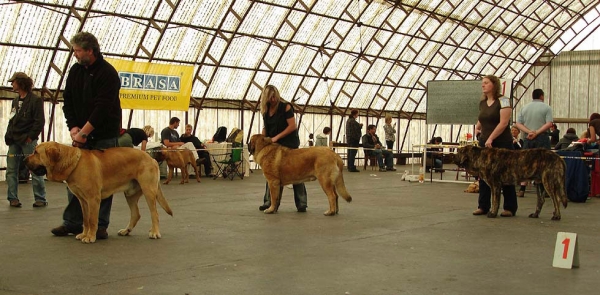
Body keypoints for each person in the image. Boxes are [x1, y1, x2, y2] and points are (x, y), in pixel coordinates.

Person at [51, 32, 122, 239]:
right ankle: (73, 222)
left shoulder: (108, 73)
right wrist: (73, 127)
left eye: (78, 50)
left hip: (103, 135)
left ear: (90, 50)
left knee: (103, 182)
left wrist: (84, 132)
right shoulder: (75, 71)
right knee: (74, 178)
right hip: (80, 134)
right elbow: (68, 100)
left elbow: (103, 108)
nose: (74, 54)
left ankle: (99, 225)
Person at [472, 75, 517, 217]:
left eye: (486, 83)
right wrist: (477, 128)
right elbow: (482, 118)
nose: (483, 85)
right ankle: (483, 206)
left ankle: (509, 207)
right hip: (485, 141)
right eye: (482, 83)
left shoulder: (503, 101)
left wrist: (491, 138)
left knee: (505, 173)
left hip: (501, 142)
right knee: (484, 174)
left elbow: (503, 123)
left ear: (494, 85)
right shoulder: (483, 102)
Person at [257, 85, 307, 212]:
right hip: (273, 144)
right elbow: (265, 127)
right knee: (271, 173)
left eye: (274, 96)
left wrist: (276, 137)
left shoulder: (286, 106)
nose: (273, 99)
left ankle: (301, 203)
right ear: (266, 98)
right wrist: (262, 139)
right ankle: (269, 202)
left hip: (289, 142)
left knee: (296, 170)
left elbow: (292, 126)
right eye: (270, 97)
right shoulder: (265, 110)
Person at [4, 72, 47, 208]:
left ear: (20, 83)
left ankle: (40, 198)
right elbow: (12, 120)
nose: (12, 84)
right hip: (14, 140)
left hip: (28, 141)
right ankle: (13, 198)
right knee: (11, 169)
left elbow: (39, 121)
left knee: (35, 168)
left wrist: (30, 137)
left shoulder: (35, 100)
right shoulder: (15, 101)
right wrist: (8, 135)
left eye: (14, 82)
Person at [515, 88, 553, 197]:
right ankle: (543, 190)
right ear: (542, 96)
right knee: (544, 164)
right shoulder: (547, 107)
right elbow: (549, 124)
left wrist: (529, 132)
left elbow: (518, 124)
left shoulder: (524, 108)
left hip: (528, 138)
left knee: (526, 163)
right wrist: (537, 132)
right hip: (542, 137)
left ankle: (522, 189)